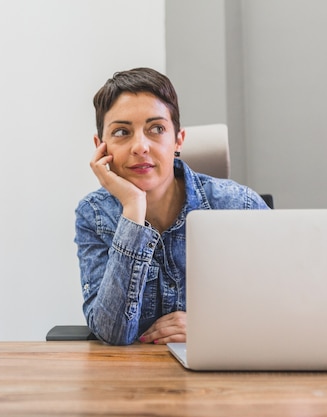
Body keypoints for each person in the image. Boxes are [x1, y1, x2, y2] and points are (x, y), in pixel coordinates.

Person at [74, 67, 270, 346]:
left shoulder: (240, 205)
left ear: (178, 140)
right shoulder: (94, 214)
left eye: (156, 129)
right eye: (121, 132)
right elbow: (112, 333)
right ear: (101, 146)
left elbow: (284, 309)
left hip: (223, 377)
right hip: (133, 382)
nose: (140, 146)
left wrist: (212, 328)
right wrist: (133, 209)